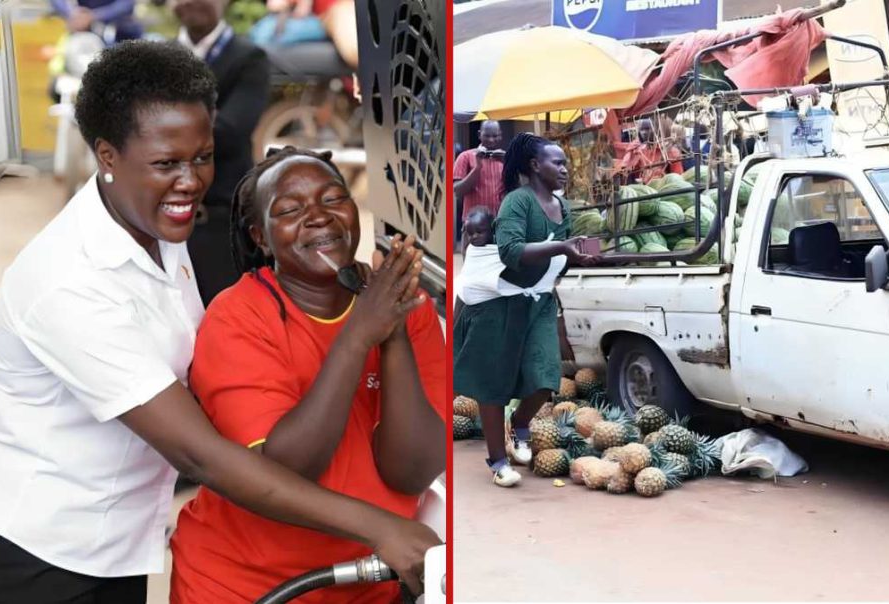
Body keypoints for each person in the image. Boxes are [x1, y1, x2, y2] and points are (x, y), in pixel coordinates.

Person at [0, 42, 437, 604]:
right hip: (22, 539)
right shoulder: (69, 283)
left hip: (112, 535)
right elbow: (200, 457)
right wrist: (380, 528)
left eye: (202, 156)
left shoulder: (157, 229)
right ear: (107, 156)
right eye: (167, 163)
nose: (191, 181)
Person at [168, 147, 448, 602]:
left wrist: (391, 332)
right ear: (260, 236)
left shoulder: (402, 306)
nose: (318, 216)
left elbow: (411, 472)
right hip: (248, 584)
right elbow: (289, 469)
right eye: (290, 210)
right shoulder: (238, 318)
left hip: (370, 584)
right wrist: (359, 337)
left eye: (333, 199)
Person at [453, 133, 596, 488]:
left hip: (538, 300)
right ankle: (498, 459)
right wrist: (562, 245)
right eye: (557, 163)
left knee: (546, 376)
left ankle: (519, 424)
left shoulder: (562, 206)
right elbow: (511, 252)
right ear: (535, 166)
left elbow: (558, 256)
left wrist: (580, 255)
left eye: (565, 163)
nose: (565, 169)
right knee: (494, 383)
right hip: (499, 303)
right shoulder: (517, 202)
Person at [174, 0, 272, 307]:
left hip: (221, 227)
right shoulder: (155, 58)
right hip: (163, 231)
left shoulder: (249, 57)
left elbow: (229, 132)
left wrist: (158, 125)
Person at [453, 120, 507, 221]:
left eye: (495, 136)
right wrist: (477, 168)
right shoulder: (465, 156)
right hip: (473, 225)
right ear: (479, 135)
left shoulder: (505, 158)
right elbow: (458, 191)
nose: (491, 140)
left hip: (499, 221)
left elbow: (517, 190)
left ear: (500, 136)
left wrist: (508, 164)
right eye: (487, 136)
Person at [50, 0, 143, 42]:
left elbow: (126, 4)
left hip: (121, 30)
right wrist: (71, 12)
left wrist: (94, 15)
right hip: (85, 28)